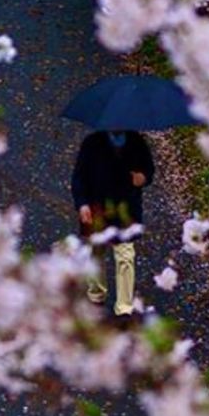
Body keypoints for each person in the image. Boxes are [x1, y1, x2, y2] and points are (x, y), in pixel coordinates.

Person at [71, 129, 155, 319]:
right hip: (97, 204)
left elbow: (148, 170)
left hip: (126, 207)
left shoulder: (137, 142)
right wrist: (82, 203)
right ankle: (96, 294)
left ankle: (124, 307)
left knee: (126, 255)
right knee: (96, 250)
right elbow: (79, 177)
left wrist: (143, 178)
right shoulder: (92, 143)